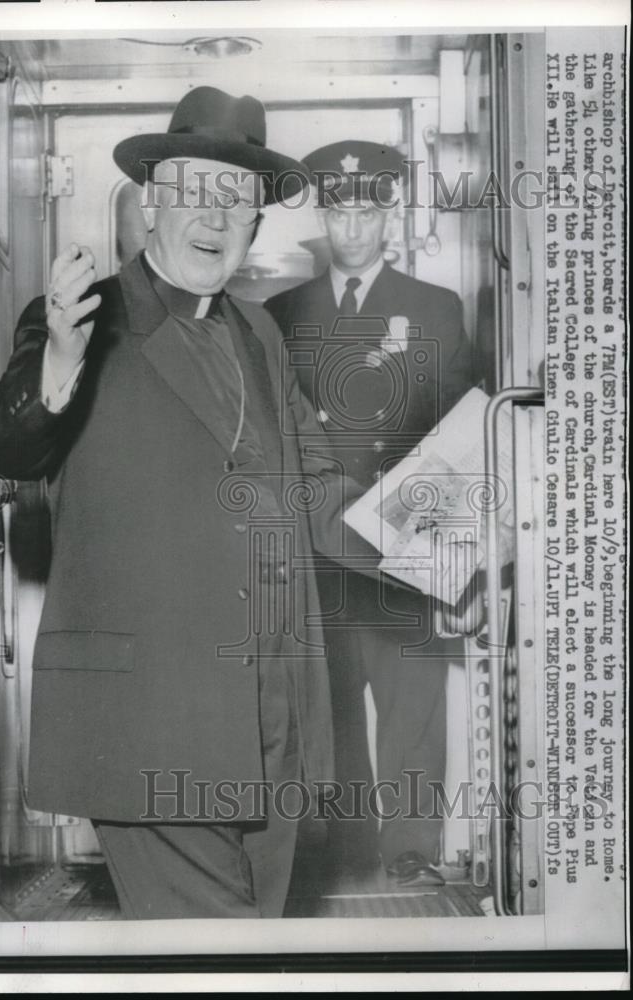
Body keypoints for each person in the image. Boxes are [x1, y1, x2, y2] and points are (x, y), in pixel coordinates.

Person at [0, 89, 414, 919]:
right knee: (215, 960)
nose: (215, 215)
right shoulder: (85, 321)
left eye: (237, 199)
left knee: (251, 958)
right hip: (151, 723)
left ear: (255, 224)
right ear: (151, 203)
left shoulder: (258, 332)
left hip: (274, 724)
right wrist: (57, 364)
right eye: (194, 190)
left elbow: (314, 484)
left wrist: (428, 541)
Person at [266, 141, 475, 887]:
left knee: (410, 696)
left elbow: (459, 430)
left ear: (388, 214)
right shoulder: (279, 315)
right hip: (318, 542)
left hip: (401, 537)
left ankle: (410, 848)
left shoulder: (433, 310)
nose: (350, 226)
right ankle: (345, 852)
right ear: (322, 216)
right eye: (337, 209)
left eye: (365, 209)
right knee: (331, 700)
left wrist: (446, 541)